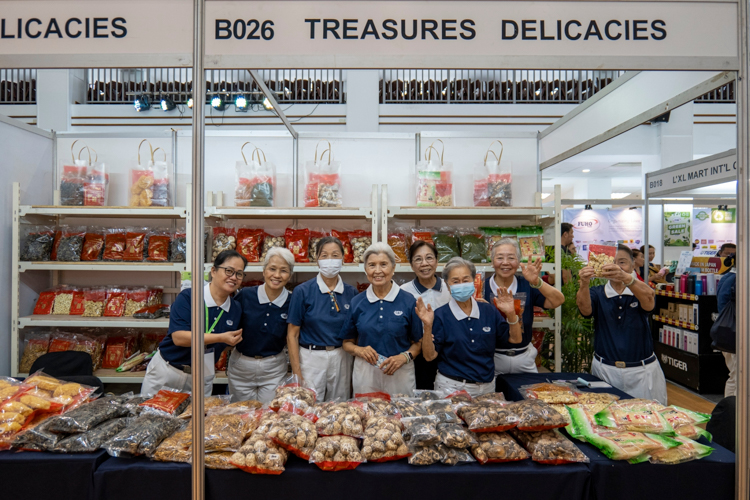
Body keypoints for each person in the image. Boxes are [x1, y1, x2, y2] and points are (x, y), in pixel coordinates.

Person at [141, 250, 246, 396]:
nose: (233, 277)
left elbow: (229, 344)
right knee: (152, 416)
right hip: (168, 370)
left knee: (195, 419)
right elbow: (179, 338)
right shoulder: (190, 297)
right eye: (229, 271)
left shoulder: (235, 309)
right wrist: (221, 337)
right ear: (214, 271)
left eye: (239, 274)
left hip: (203, 374)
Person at [417, 257, 523, 397]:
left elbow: (515, 340)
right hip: (451, 388)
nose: (461, 285)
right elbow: (429, 356)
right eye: (455, 281)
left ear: (474, 282)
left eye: (466, 280)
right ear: (448, 286)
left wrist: (510, 314)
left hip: (487, 387)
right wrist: (428, 326)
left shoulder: (488, 311)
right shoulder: (440, 315)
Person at [577, 244, 667, 404]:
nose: (615, 267)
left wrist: (626, 278)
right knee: (605, 421)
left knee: (647, 421)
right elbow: (585, 310)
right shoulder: (597, 292)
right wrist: (583, 283)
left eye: (622, 262)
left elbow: (649, 302)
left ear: (634, 264)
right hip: (605, 370)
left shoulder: (640, 289)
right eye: (611, 262)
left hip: (642, 372)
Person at [342, 243, 423, 395]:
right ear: (366, 270)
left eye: (383, 264)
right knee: (367, 415)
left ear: (393, 268)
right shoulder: (357, 302)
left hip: (400, 372)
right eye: (372, 265)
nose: (377, 271)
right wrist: (359, 350)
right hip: (366, 373)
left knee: (400, 415)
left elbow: (418, 344)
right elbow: (347, 343)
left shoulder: (408, 301)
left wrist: (404, 357)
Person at [287, 236, 357, 402]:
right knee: (309, 404)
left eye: (335, 255)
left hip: (341, 356)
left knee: (339, 406)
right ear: (317, 260)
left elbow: (354, 332)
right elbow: (292, 334)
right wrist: (296, 371)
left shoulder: (351, 292)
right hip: (311, 357)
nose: (330, 260)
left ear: (343, 259)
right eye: (324, 256)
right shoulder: (302, 291)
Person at [484, 238, 564, 374]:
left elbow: (557, 301)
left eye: (511, 257)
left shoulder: (527, 285)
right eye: (499, 258)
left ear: (518, 261)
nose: (505, 263)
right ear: (492, 262)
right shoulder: (482, 288)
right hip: (491, 358)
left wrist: (537, 282)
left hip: (523, 357)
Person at [228, 247, 295, 404]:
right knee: (242, 416)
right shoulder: (245, 295)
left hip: (274, 368)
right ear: (264, 271)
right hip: (241, 367)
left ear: (290, 275)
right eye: (272, 269)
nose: (277, 275)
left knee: (269, 417)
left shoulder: (292, 301)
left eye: (283, 271)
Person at [400, 240, 452, 389]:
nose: (424, 263)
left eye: (429, 258)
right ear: (411, 265)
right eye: (418, 259)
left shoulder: (449, 288)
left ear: (436, 261)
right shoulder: (403, 291)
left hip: (447, 354)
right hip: (417, 356)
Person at [716, 254, 736, 397]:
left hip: (726, 332)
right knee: (737, 377)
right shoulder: (738, 280)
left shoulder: (726, 277)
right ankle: (733, 414)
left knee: (734, 375)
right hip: (736, 334)